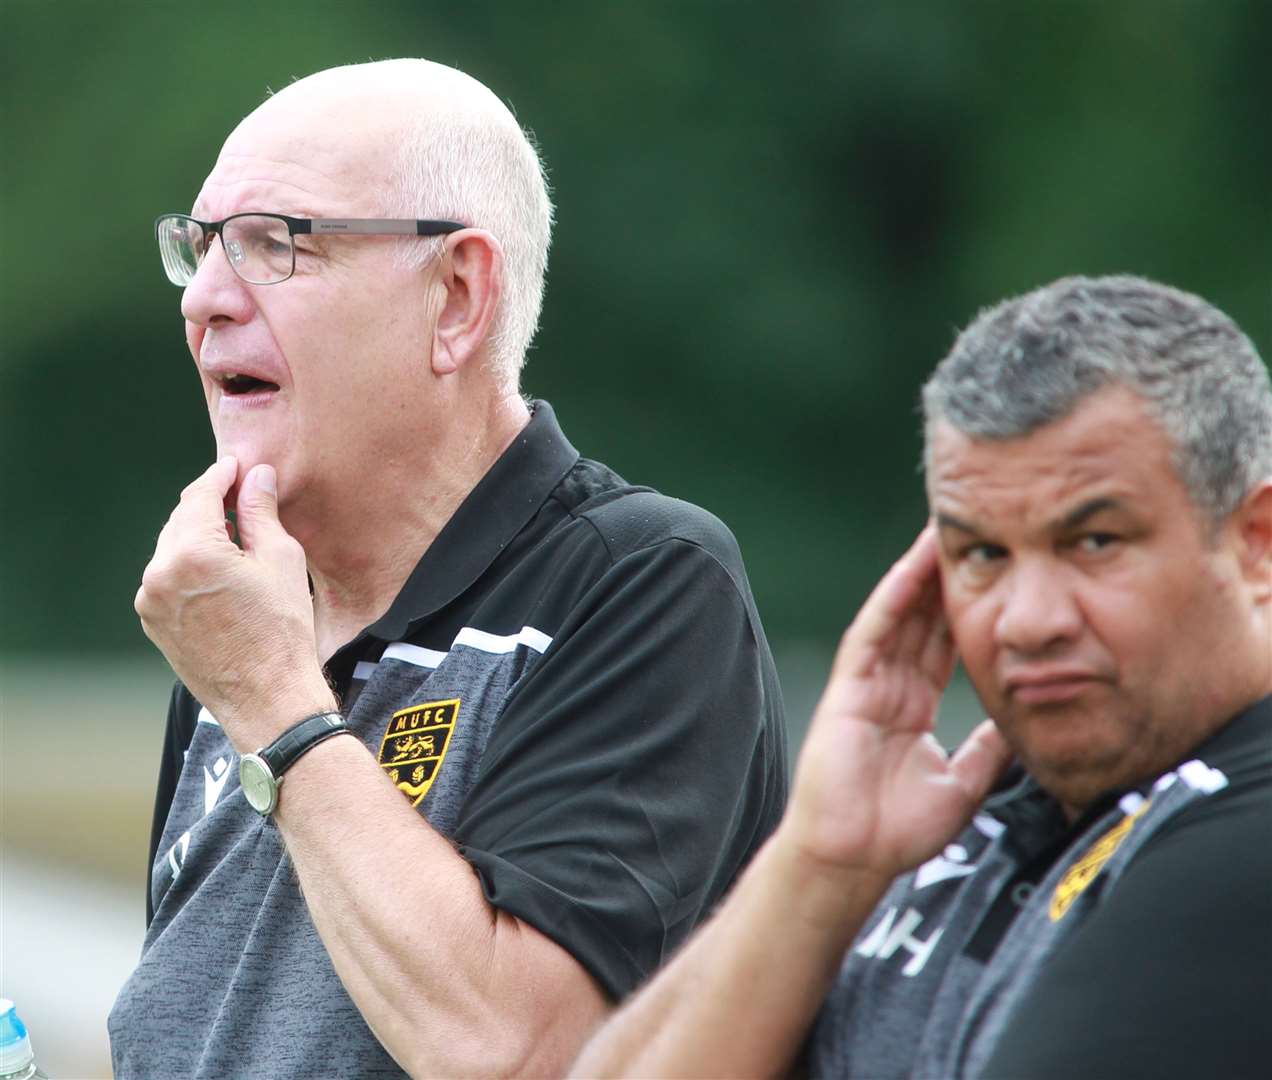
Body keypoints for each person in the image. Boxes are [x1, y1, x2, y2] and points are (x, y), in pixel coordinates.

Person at [108, 58, 787, 1078]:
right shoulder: (249, 630)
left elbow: (509, 1053)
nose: (204, 299)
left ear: (458, 298)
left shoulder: (644, 583)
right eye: (201, 248)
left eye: (272, 245)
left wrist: (278, 708)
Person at [572, 274, 1272, 1078]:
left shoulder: (1244, 838)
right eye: (982, 553)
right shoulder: (934, 833)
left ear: (1255, 543)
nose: (1028, 619)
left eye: (1095, 542)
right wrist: (820, 861)